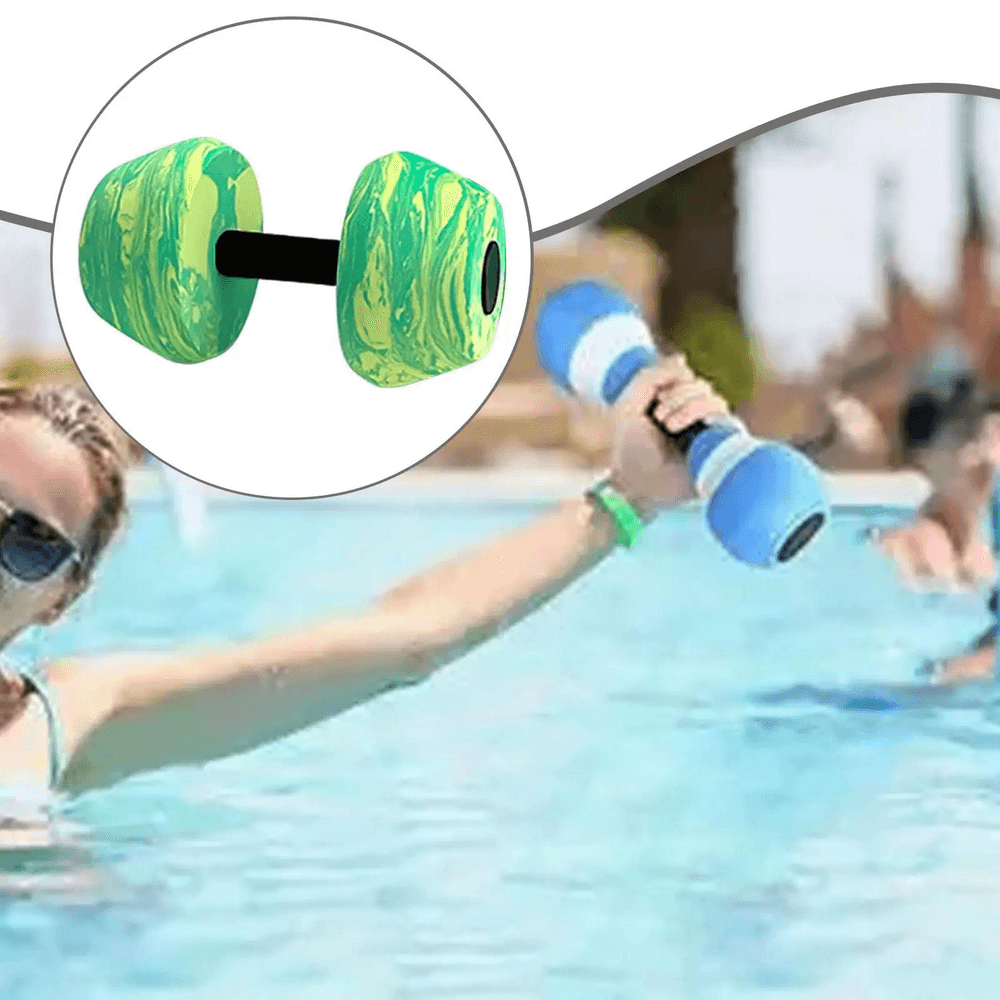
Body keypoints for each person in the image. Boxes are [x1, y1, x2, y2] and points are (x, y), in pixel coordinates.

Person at [0, 358, 729, 842]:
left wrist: (625, 498)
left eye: (28, 541)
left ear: (59, 599)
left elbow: (409, 636)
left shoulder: (71, 718)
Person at [871, 348, 1000, 684]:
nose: (983, 457)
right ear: (922, 456)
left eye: (988, 439)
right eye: (963, 439)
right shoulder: (900, 550)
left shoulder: (991, 551)